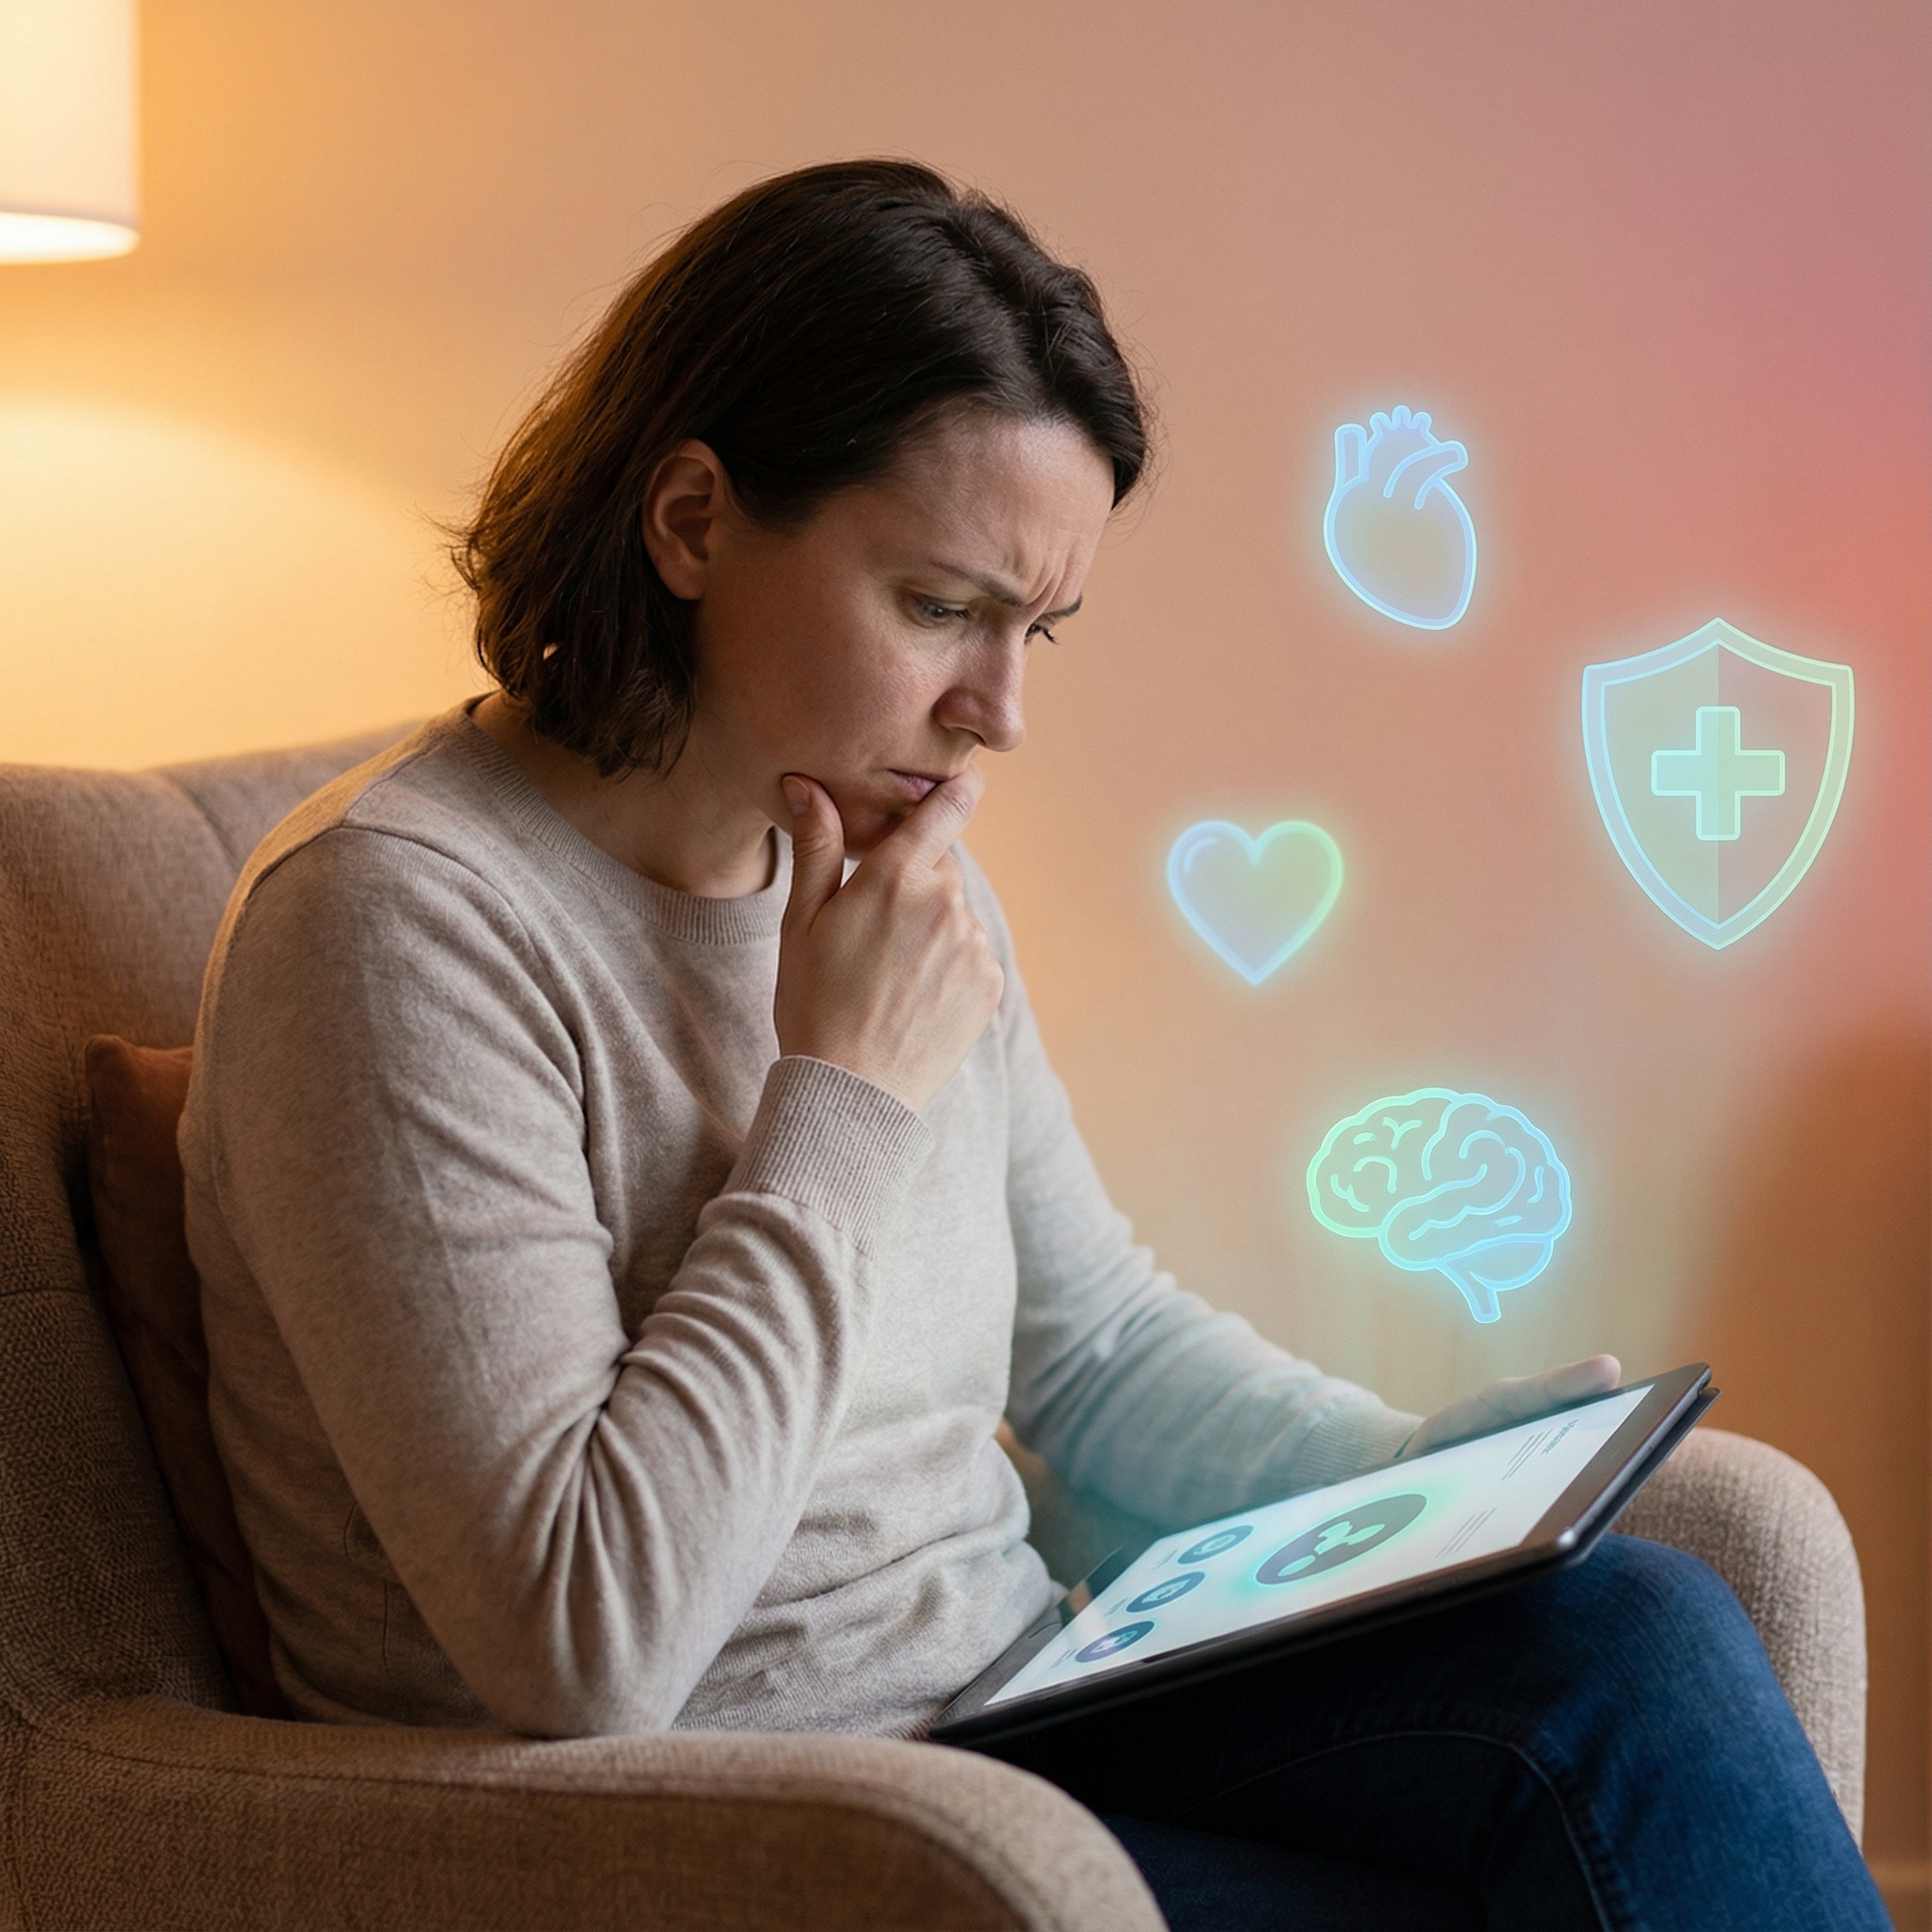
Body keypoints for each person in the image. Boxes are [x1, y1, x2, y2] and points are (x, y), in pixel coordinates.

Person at [180, 159, 1887, 1930]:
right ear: (689, 522)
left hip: (1018, 1722)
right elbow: (582, 1640)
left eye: (1035, 626)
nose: (999, 714)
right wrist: (836, 1101)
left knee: (1640, 1625)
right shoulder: (396, 927)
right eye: (939, 608)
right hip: (739, 1825)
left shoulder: (878, 858)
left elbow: (1095, 1353)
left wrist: (1425, 1482)